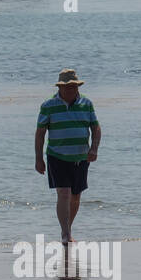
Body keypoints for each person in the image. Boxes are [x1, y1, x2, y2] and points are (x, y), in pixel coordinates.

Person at [34, 68, 101, 244]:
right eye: (67, 87)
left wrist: (94, 149)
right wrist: (38, 158)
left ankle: (67, 229)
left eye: (74, 86)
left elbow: (96, 128)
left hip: (80, 157)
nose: (71, 89)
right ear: (60, 88)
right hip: (57, 156)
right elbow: (40, 133)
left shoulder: (87, 104)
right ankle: (65, 234)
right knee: (63, 193)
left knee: (75, 197)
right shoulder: (48, 106)